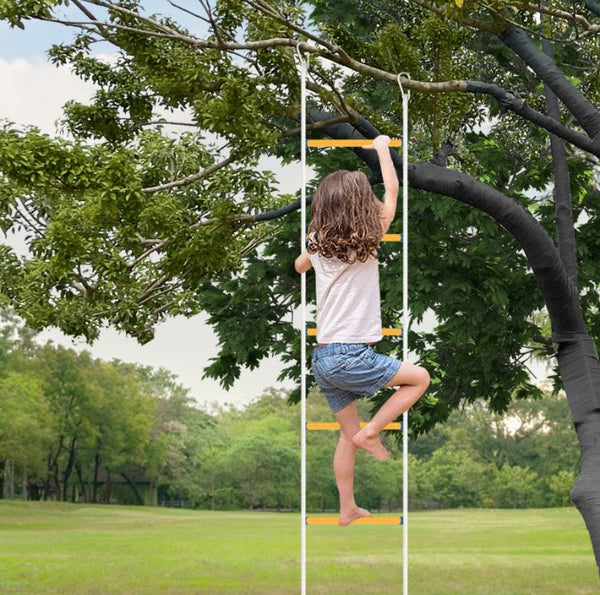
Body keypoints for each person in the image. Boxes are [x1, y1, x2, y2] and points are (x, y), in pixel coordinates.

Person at [295, 135, 430, 526]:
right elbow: (392, 188)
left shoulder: (317, 242)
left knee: (344, 436)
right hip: (351, 354)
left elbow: (299, 266)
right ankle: (373, 432)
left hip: (323, 359)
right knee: (419, 379)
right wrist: (382, 149)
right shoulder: (371, 236)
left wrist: (312, 234)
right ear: (359, 204)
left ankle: (347, 507)